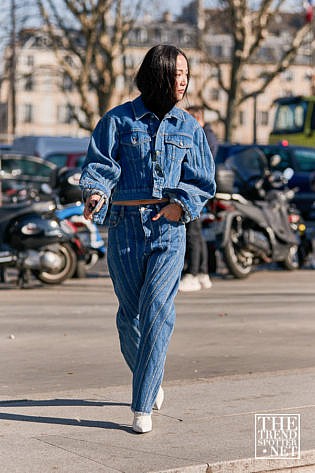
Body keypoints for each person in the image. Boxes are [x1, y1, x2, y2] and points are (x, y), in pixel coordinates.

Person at [79, 44, 216, 434]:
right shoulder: (118, 121)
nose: (184, 80)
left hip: (168, 229)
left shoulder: (189, 127)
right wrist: (96, 193)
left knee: (158, 309)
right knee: (129, 316)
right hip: (123, 224)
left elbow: (203, 181)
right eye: (177, 73)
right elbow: (100, 165)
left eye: (187, 74)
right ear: (157, 75)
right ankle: (152, 376)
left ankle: (142, 406)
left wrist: (180, 207)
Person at [179, 106, 218, 292]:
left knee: (193, 233)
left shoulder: (203, 136)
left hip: (195, 190)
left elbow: (201, 165)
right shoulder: (206, 134)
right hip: (197, 189)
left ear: (196, 118)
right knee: (196, 233)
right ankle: (201, 272)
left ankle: (193, 274)